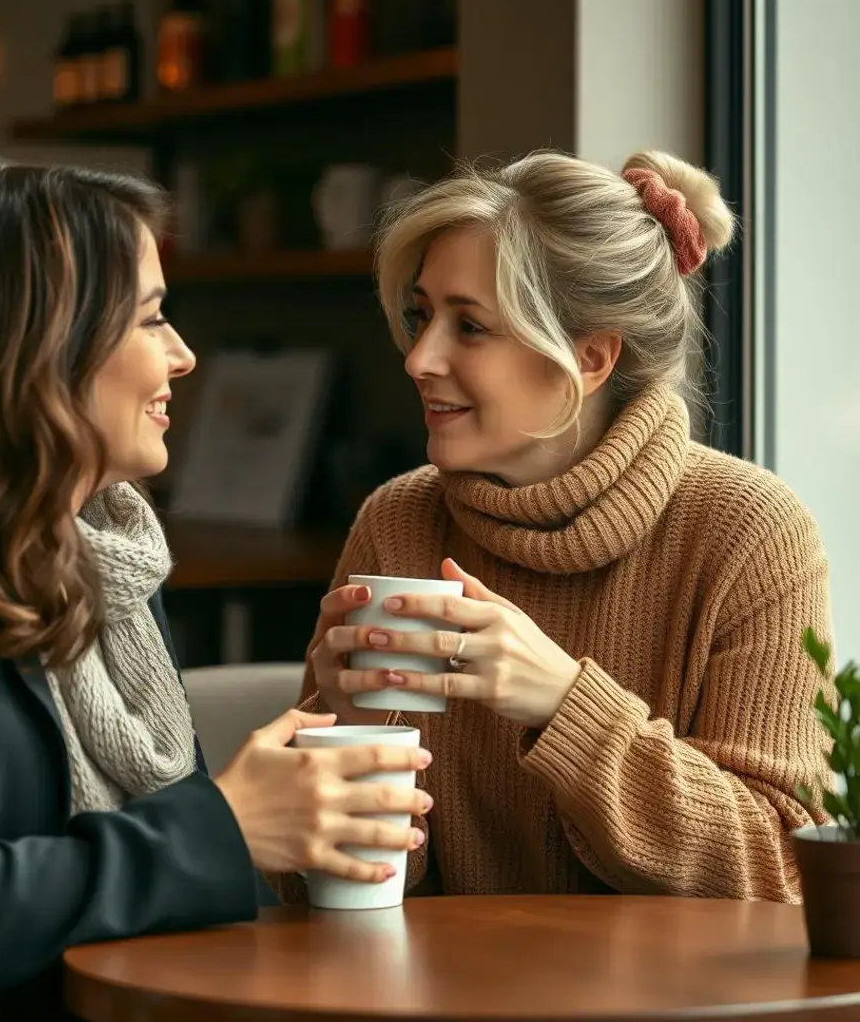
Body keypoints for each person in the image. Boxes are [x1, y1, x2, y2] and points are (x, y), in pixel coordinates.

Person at [0, 161, 432, 1022]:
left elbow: (175, 872)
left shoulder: (102, 544)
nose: (184, 355)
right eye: (153, 317)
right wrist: (231, 823)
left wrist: (289, 793)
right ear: (38, 338)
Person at [280, 149, 833, 906]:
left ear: (591, 357)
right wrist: (347, 736)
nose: (418, 358)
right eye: (421, 316)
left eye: (469, 326)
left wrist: (564, 703)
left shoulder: (750, 534)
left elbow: (785, 868)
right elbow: (320, 897)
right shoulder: (399, 520)